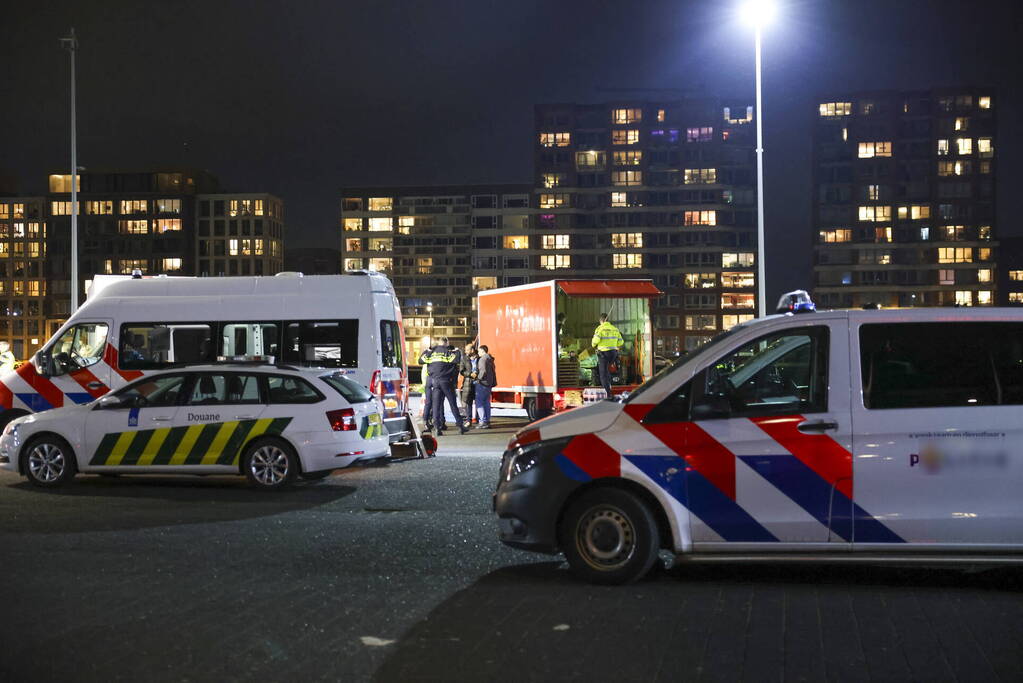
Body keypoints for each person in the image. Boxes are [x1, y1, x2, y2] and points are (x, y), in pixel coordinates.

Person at [426, 337, 467, 435]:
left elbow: (421, 360)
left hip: (435, 381)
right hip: (446, 381)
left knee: (436, 405)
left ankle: (437, 428)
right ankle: (460, 426)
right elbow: (456, 359)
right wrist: (457, 351)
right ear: (446, 343)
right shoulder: (448, 352)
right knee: (453, 404)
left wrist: (428, 350)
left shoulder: (432, 353)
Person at [591, 313, 624, 397]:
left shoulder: (600, 329)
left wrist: (593, 345)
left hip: (603, 354)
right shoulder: (615, 329)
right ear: (607, 320)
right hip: (613, 354)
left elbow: (595, 342)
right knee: (607, 371)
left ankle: (608, 394)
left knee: (602, 374)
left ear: (601, 321)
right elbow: (621, 342)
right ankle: (609, 386)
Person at [475, 345, 496, 429]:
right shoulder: (490, 359)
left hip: (482, 384)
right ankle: (487, 420)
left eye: (479, 351)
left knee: (479, 403)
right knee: (486, 403)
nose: (478, 353)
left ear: (483, 351)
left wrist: (478, 379)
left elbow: (482, 371)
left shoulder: (482, 359)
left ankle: (482, 421)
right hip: (489, 384)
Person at [458, 343, 479, 427]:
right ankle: (468, 420)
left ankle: (478, 419)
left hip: (478, 383)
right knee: (468, 402)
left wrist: (477, 374)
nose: (466, 352)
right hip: (468, 383)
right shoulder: (464, 358)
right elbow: (461, 371)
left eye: (467, 350)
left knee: (479, 402)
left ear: (472, 350)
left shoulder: (479, 358)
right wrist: (470, 374)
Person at [418, 345, 435, 431]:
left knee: (429, 403)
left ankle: (426, 420)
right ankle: (427, 421)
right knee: (430, 404)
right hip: (430, 383)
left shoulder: (426, 360)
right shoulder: (431, 360)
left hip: (427, 383)